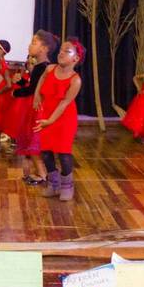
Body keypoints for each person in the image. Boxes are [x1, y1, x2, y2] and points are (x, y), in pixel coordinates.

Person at [33, 37, 84, 201]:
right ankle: (53, 184)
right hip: (47, 114)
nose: (61, 53)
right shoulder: (49, 69)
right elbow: (42, 79)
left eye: (67, 51)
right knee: (46, 152)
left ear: (76, 58)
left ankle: (67, 186)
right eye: (61, 50)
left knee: (63, 153)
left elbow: (64, 103)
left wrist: (50, 121)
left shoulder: (75, 80)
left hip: (64, 119)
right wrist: (37, 95)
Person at [8, 31, 58, 184]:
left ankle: (43, 174)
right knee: (34, 143)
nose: (29, 45)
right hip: (37, 107)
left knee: (34, 143)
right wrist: (21, 82)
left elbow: (33, 90)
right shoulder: (41, 66)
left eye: (34, 43)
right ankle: (42, 173)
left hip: (38, 110)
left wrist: (15, 92)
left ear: (44, 49)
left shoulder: (43, 67)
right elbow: (33, 86)